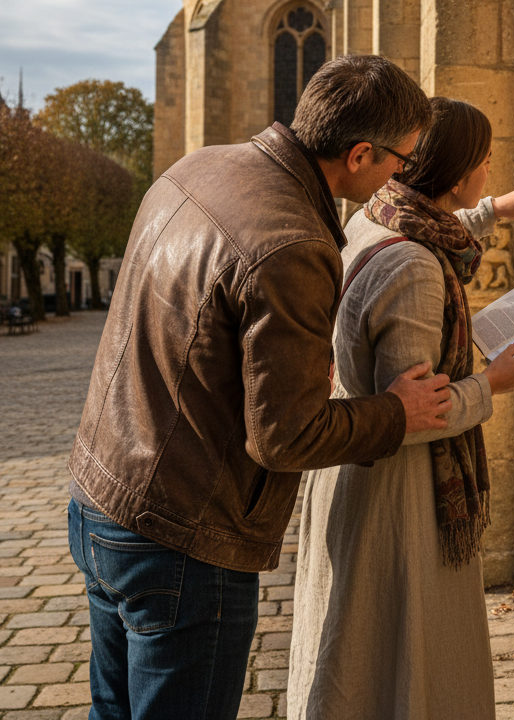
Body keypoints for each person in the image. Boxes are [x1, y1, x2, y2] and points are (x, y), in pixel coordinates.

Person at [67, 55, 459, 720]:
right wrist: (396, 411)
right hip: (183, 535)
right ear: (361, 154)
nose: (404, 174)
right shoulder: (292, 243)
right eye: (401, 159)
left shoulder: (198, 165)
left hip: (101, 496)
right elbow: (285, 437)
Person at [287, 97, 514, 720]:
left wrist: (499, 210)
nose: (488, 175)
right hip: (398, 495)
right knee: (396, 661)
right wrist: (490, 383)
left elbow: (433, 226)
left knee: (360, 655)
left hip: (353, 476)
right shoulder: (415, 265)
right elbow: (411, 413)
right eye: (486, 164)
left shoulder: (375, 215)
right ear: (460, 172)